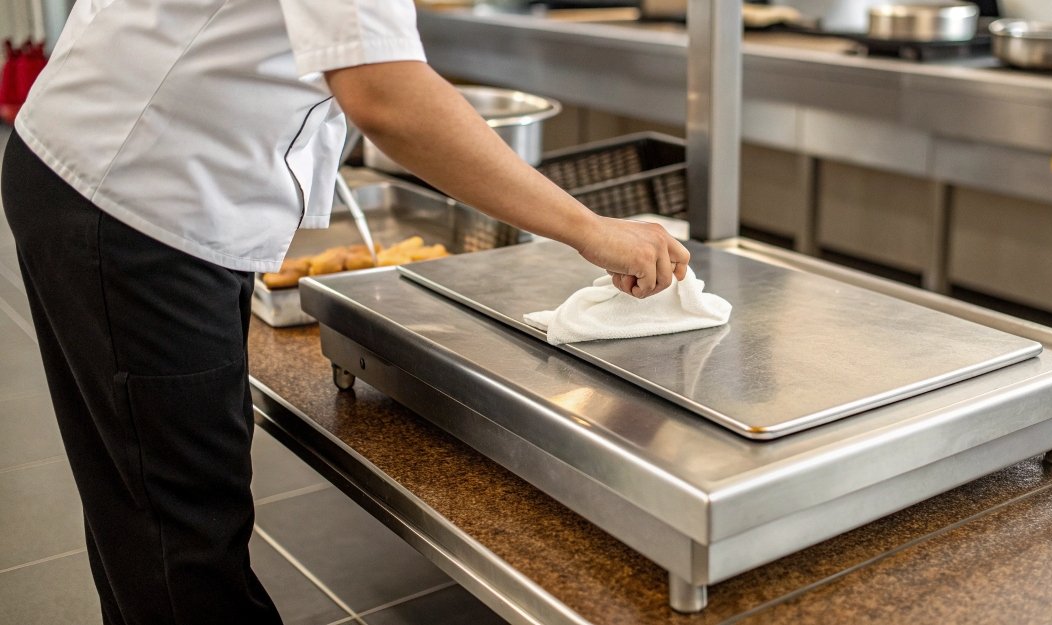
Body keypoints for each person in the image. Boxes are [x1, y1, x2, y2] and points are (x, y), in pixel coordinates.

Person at [0, 0, 691, 623]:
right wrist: (589, 230)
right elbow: (385, 96)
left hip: (123, 171)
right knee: (181, 541)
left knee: (144, 510)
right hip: (138, 197)